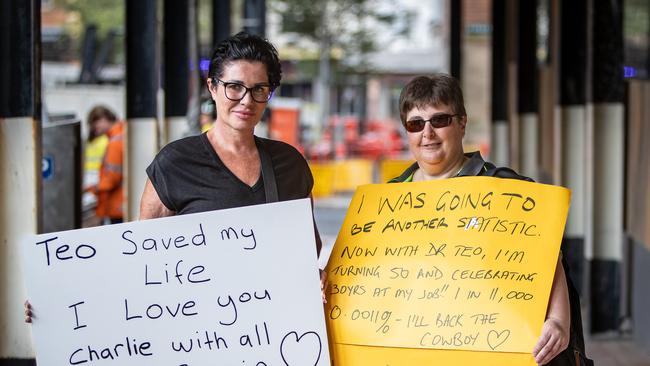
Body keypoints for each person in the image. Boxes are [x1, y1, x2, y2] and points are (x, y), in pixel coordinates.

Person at [389, 74, 573, 365]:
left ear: (461, 123)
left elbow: (549, 258)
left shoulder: (506, 188)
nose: (427, 133)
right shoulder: (387, 199)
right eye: (415, 123)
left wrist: (558, 321)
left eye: (439, 120)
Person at [84, 106, 124, 225]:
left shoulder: (115, 142)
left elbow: (112, 179)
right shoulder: (121, 135)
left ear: (104, 119)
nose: (94, 128)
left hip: (118, 206)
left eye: (95, 123)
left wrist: (92, 188)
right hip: (121, 204)